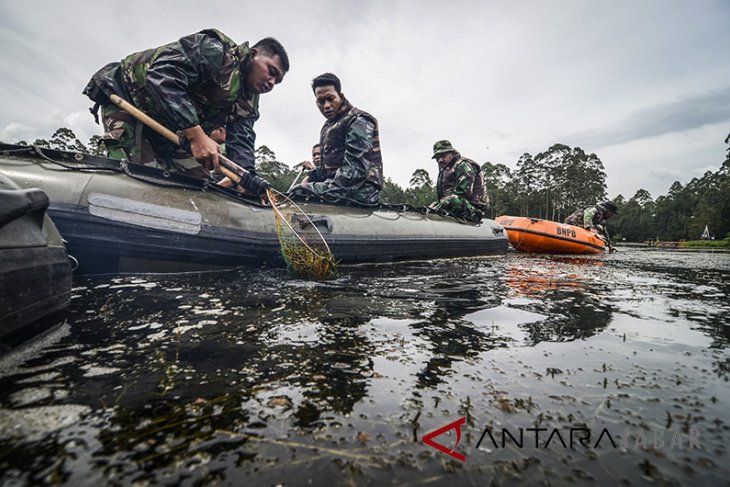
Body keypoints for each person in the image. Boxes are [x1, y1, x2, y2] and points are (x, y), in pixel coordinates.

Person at [82, 29, 289, 196]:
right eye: (271, 71)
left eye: (277, 81)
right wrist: (196, 135)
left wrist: (246, 178)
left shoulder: (249, 103)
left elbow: (242, 140)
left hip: (171, 127)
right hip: (130, 100)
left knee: (199, 187)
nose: (271, 83)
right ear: (253, 55)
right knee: (137, 177)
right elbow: (163, 77)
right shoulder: (214, 51)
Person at [295, 73, 383, 204]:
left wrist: (311, 189)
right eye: (321, 101)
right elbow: (331, 168)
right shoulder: (328, 126)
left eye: (330, 99)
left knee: (299, 192)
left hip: (360, 192)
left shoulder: (358, 120)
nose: (326, 106)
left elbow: (354, 173)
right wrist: (314, 174)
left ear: (341, 97)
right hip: (336, 188)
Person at [429, 140, 487, 222]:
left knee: (452, 200)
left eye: (443, 155)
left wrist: (437, 208)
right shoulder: (445, 169)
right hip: (456, 205)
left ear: (452, 153)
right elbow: (442, 197)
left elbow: (462, 194)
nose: (440, 160)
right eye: (437, 157)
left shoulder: (463, 165)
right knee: (433, 205)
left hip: (474, 210)